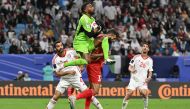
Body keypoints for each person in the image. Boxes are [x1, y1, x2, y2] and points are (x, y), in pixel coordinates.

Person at [69, 29, 119, 109]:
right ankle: (75, 97)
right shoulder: (101, 38)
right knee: (95, 90)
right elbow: (90, 56)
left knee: (91, 91)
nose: (114, 40)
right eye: (114, 38)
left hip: (96, 65)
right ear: (111, 34)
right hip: (94, 66)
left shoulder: (104, 41)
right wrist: (104, 54)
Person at [46, 41, 102, 109]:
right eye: (58, 46)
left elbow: (81, 56)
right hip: (65, 79)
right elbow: (57, 73)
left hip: (76, 77)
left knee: (89, 94)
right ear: (55, 48)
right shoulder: (55, 60)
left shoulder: (71, 51)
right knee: (55, 96)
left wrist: (81, 66)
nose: (60, 47)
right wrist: (68, 72)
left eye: (61, 45)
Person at [121, 42, 153, 109]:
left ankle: (145, 108)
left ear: (148, 50)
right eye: (143, 46)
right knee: (129, 93)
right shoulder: (135, 57)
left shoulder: (150, 60)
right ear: (141, 48)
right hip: (134, 79)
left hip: (143, 81)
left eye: (146, 47)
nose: (145, 47)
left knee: (144, 94)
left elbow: (150, 71)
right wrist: (132, 70)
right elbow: (130, 67)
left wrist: (149, 77)